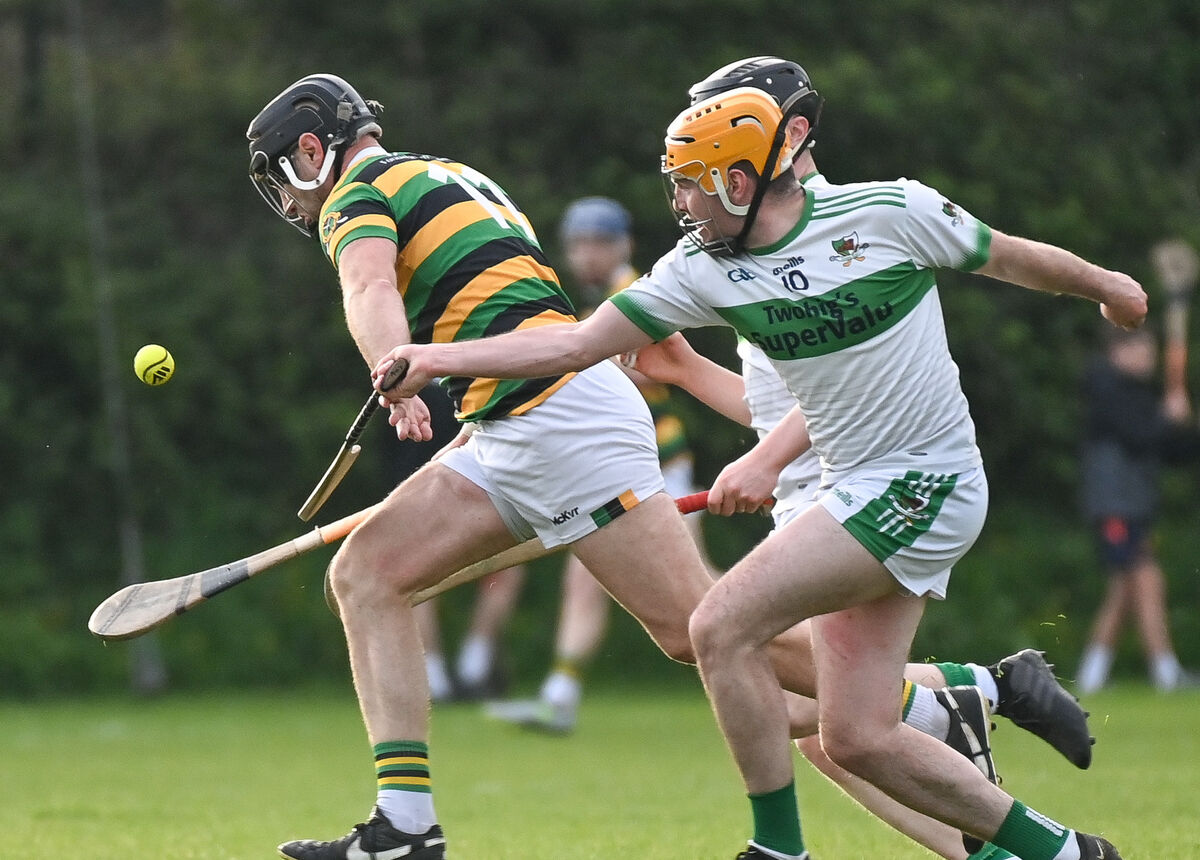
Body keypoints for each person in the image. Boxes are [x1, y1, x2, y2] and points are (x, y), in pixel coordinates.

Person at [374, 56, 1144, 860]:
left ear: (740, 182)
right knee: (852, 738)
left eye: (690, 183)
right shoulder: (704, 271)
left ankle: (778, 848)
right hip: (852, 493)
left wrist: (1110, 286)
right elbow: (573, 342)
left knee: (718, 625)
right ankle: (1067, 852)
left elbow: (1013, 256)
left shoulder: (890, 213)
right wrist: (440, 361)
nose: (677, 202)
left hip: (926, 480)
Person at [487, 195, 718, 732]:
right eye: (579, 243)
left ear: (624, 245)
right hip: (624, 465)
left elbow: (657, 370)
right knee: (593, 577)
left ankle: (802, 657)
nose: (588, 254)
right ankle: (560, 696)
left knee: (706, 590)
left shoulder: (636, 295)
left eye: (600, 242)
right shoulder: (590, 306)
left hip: (655, 461)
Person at [1074, 324, 1198, 694]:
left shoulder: (1140, 396)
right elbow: (1139, 434)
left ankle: (1092, 676)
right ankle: (1163, 671)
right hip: (1115, 506)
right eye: (1141, 350)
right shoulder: (1103, 386)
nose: (1149, 358)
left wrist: (1183, 424)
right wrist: (1166, 418)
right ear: (1118, 351)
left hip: (1135, 507)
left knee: (1127, 588)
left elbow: (1171, 451)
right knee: (1143, 579)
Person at [384, 383, 526, 702]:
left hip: (467, 458)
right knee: (421, 576)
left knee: (499, 572)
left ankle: (464, 668)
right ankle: (448, 672)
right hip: (439, 455)